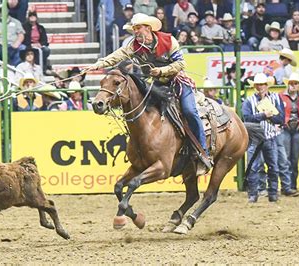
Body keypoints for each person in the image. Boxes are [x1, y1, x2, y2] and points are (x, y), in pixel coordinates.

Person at [85, 13, 212, 175]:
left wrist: (161, 70)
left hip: (178, 82)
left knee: (189, 111)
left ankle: (203, 154)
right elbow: (116, 56)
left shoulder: (169, 40)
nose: (135, 32)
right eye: (134, 29)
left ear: (148, 28)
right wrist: (97, 65)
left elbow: (181, 63)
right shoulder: (133, 45)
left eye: (138, 28)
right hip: (158, 85)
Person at [242, 73, 284, 203]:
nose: (261, 87)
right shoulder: (249, 101)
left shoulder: (276, 98)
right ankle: (253, 194)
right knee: (254, 167)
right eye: (258, 84)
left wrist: (266, 116)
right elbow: (246, 118)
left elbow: (281, 119)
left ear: (267, 85)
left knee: (273, 166)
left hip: (269, 137)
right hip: (255, 138)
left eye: (263, 84)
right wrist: (264, 115)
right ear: (255, 86)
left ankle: (272, 193)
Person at [279, 71, 299, 191]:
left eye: (296, 83)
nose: (293, 85)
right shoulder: (280, 96)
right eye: (292, 83)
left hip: (298, 128)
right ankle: (286, 185)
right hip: (285, 129)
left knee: (294, 158)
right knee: (285, 157)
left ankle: (293, 185)